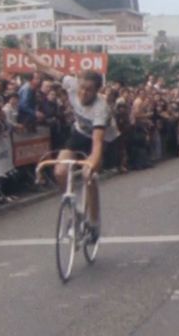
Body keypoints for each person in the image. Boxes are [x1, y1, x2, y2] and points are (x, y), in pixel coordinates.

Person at [28, 51, 119, 242]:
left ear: (97, 91)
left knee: (88, 176)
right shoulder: (70, 83)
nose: (84, 93)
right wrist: (29, 53)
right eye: (82, 88)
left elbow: (96, 143)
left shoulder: (100, 108)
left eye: (89, 90)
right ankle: (75, 210)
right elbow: (47, 68)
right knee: (60, 170)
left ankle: (94, 223)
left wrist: (91, 163)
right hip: (78, 133)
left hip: (100, 138)